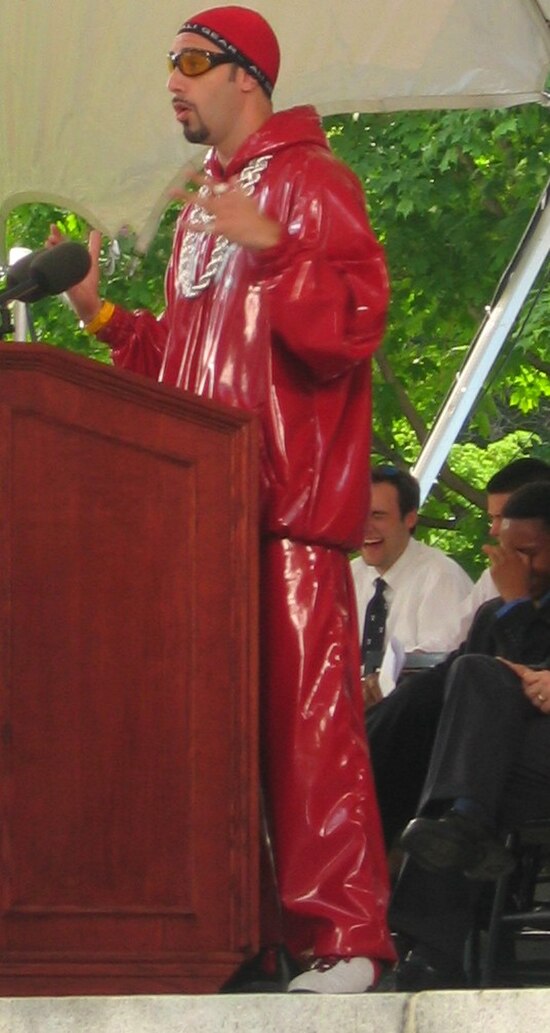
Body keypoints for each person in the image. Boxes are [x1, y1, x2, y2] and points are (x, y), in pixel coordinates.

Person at [47, 5, 395, 993]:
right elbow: (188, 369)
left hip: (283, 519)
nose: (174, 80)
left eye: (192, 61)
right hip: (206, 521)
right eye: (169, 63)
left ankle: (347, 943)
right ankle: (240, 942)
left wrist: (278, 247)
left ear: (248, 75)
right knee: (214, 744)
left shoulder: (313, 183)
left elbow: (351, 327)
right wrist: (106, 317)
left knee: (308, 733)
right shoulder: (212, 201)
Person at [388, 481, 550, 989]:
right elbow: (441, 691)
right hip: (504, 768)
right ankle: (463, 824)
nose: (517, 567)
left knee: (462, 768)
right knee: (459, 689)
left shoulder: (514, 600)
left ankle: (429, 947)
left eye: (529, 553)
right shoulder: (495, 610)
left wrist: (519, 604)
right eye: (509, 553)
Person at [351, 465, 472, 706]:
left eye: (377, 515)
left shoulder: (441, 577)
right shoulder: (347, 574)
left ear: (410, 518)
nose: (365, 526)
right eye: (359, 514)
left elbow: (437, 670)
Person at [441, 456, 550, 649]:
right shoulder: (492, 610)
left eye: (503, 516)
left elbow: (536, 661)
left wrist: (517, 602)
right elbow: (450, 644)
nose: (493, 530)